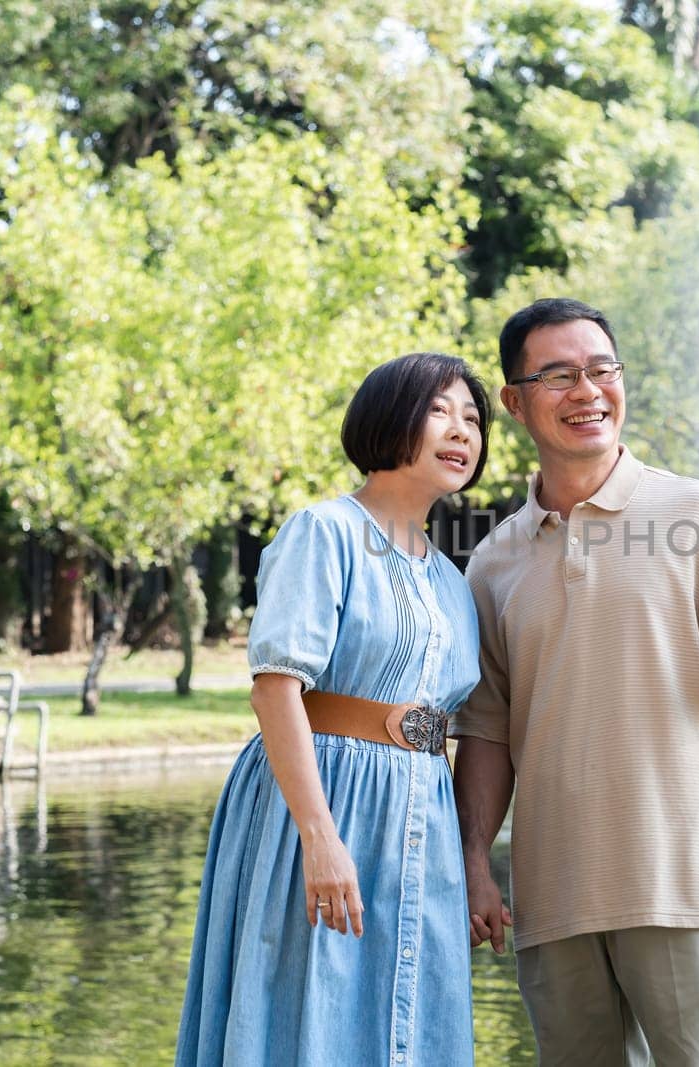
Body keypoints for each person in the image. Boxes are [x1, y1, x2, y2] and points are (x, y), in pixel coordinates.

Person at [452, 298, 699, 1066]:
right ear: (514, 401)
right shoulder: (493, 561)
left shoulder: (696, 512)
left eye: (601, 369)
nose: (587, 390)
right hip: (555, 897)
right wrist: (474, 859)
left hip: (684, 884)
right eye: (558, 374)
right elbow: (486, 731)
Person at [177, 352, 491, 1067]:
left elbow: (461, 723)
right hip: (326, 803)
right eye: (440, 409)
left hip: (421, 817)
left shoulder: (449, 577)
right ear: (390, 418)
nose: (462, 430)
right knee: (303, 1007)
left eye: (472, 418)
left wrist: (473, 860)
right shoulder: (325, 532)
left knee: (410, 1014)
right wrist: (319, 836)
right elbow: (275, 687)